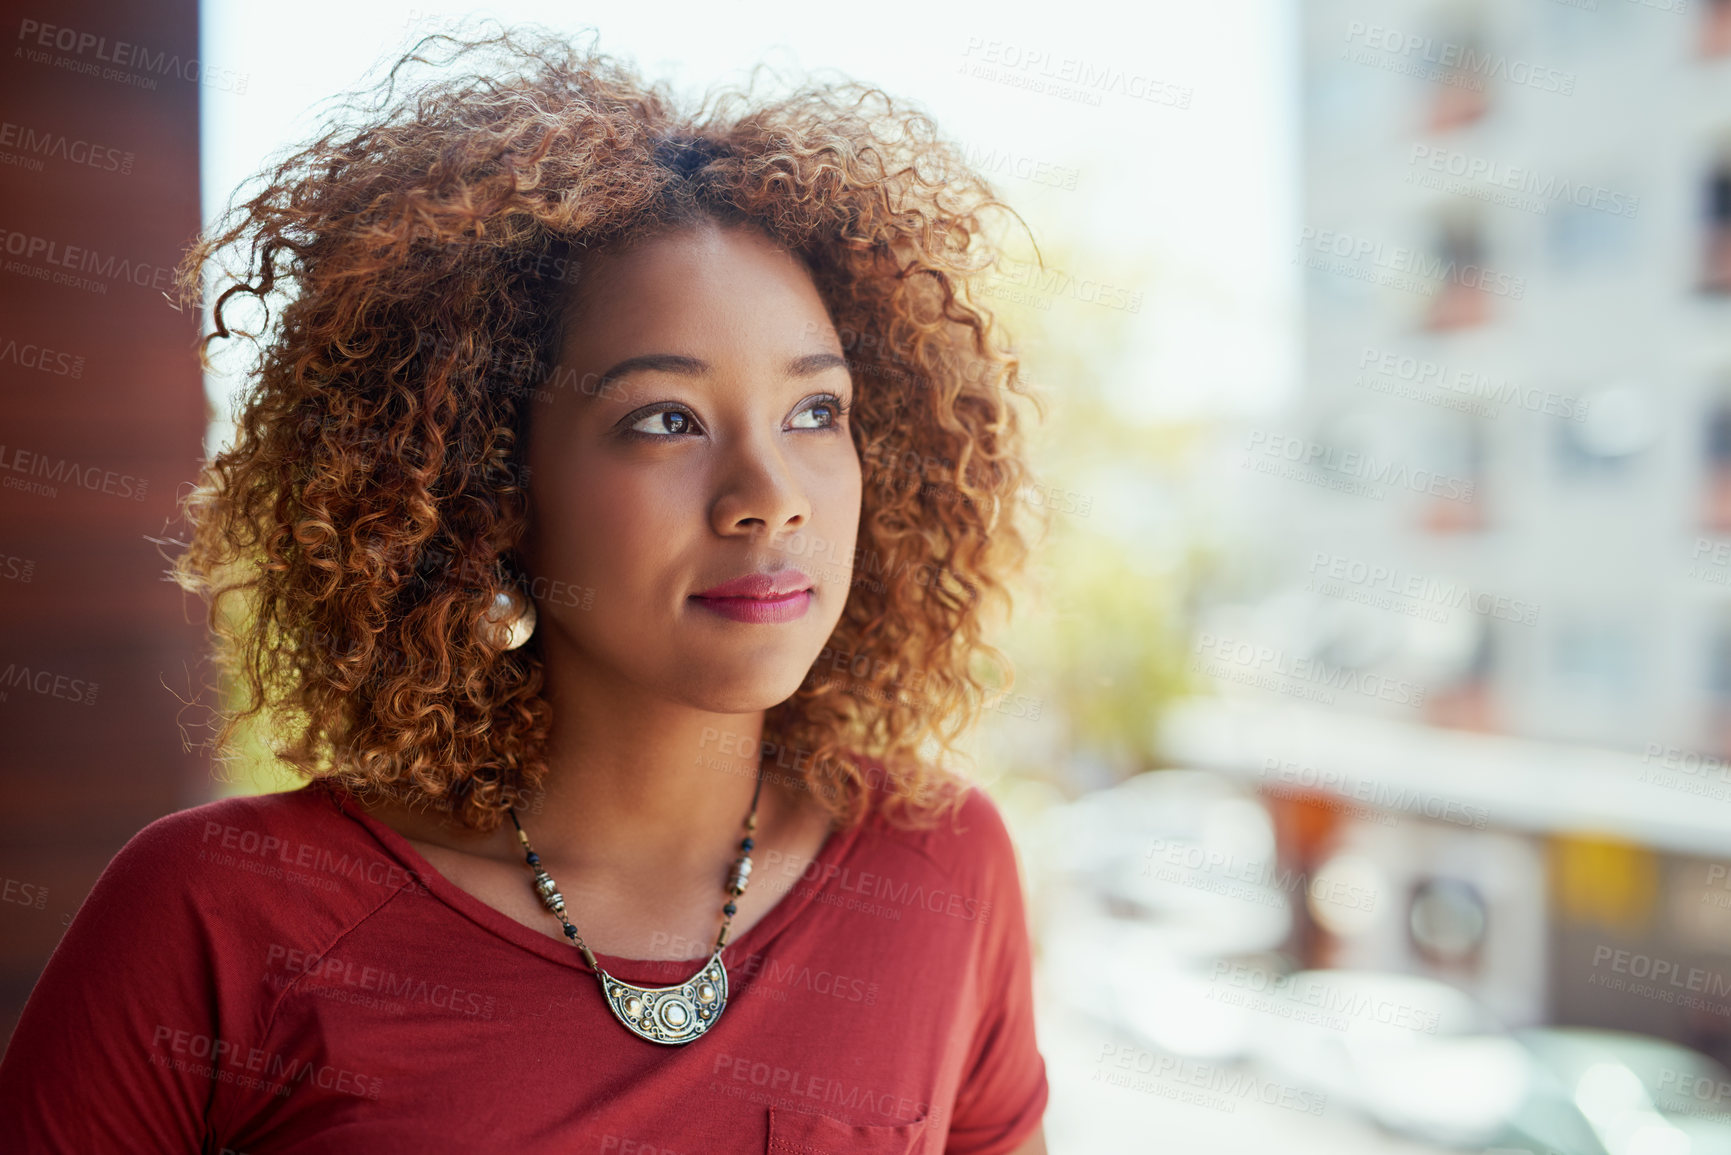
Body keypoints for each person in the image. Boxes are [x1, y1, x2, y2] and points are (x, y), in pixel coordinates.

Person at [0, 24, 1050, 1154]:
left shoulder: (938, 866)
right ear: (489, 484)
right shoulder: (219, 914)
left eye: (815, 411)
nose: (769, 496)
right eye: (664, 420)